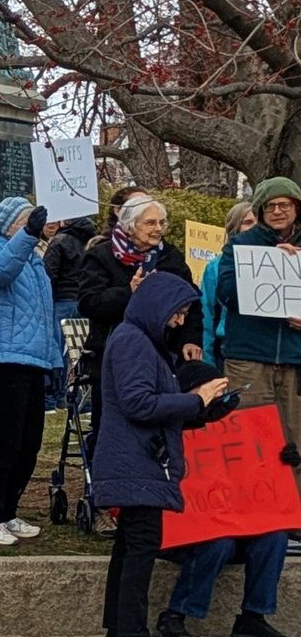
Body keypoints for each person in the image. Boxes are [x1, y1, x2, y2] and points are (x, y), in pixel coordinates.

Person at [94, 272, 228, 637]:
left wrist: (205, 408)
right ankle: (134, 636)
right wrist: (194, 400)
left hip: (135, 457)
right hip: (136, 460)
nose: (180, 320)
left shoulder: (135, 339)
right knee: (141, 547)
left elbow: (154, 407)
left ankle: (119, 631)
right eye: (178, 311)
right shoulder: (134, 341)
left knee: (129, 546)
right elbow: (139, 404)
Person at [78, 195, 202, 534]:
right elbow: (88, 302)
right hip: (114, 352)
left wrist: (192, 338)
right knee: (112, 429)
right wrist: (127, 293)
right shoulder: (101, 256)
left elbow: (191, 300)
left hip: (163, 354)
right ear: (130, 225)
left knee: (157, 425)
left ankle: (153, 497)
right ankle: (108, 503)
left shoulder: (170, 257)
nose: (158, 229)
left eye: (161, 223)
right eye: (150, 223)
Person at [154, 362, 295, 637]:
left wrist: (281, 460)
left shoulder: (238, 429)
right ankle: (175, 615)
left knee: (274, 537)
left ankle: (253, 617)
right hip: (187, 532)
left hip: (232, 523)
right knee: (218, 541)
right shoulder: (166, 425)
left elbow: (255, 482)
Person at [0, 198, 59, 546]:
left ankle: (7, 510)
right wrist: (29, 235)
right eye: (25, 221)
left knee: (28, 443)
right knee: (5, 442)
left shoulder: (33, 259)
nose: (31, 227)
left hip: (32, 360)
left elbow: (43, 314)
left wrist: (53, 360)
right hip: (2, 359)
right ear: (8, 224)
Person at [216, 178, 301, 450]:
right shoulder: (240, 245)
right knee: (253, 441)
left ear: (296, 207)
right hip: (248, 358)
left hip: (295, 359)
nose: (277, 211)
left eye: (284, 205)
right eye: (270, 206)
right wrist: (269, 265)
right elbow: (226, 293)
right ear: (261, 211)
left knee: (295, 443)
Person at [42, 216, 98, 412]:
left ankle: (51, 397)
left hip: (61, 301)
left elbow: (47, 275)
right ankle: (78, 399)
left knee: (56, 351)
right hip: (83, 302)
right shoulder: (92, 243)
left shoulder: (59, 241)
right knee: (78, 353)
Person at [201, 201, 256, 369]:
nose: (254, 227)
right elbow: (206, 314)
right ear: (234, 228)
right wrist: (207, 362)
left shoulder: (281, 262)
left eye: (259, 222)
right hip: (227, 351)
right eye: (248, 222)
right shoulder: (216, 267)